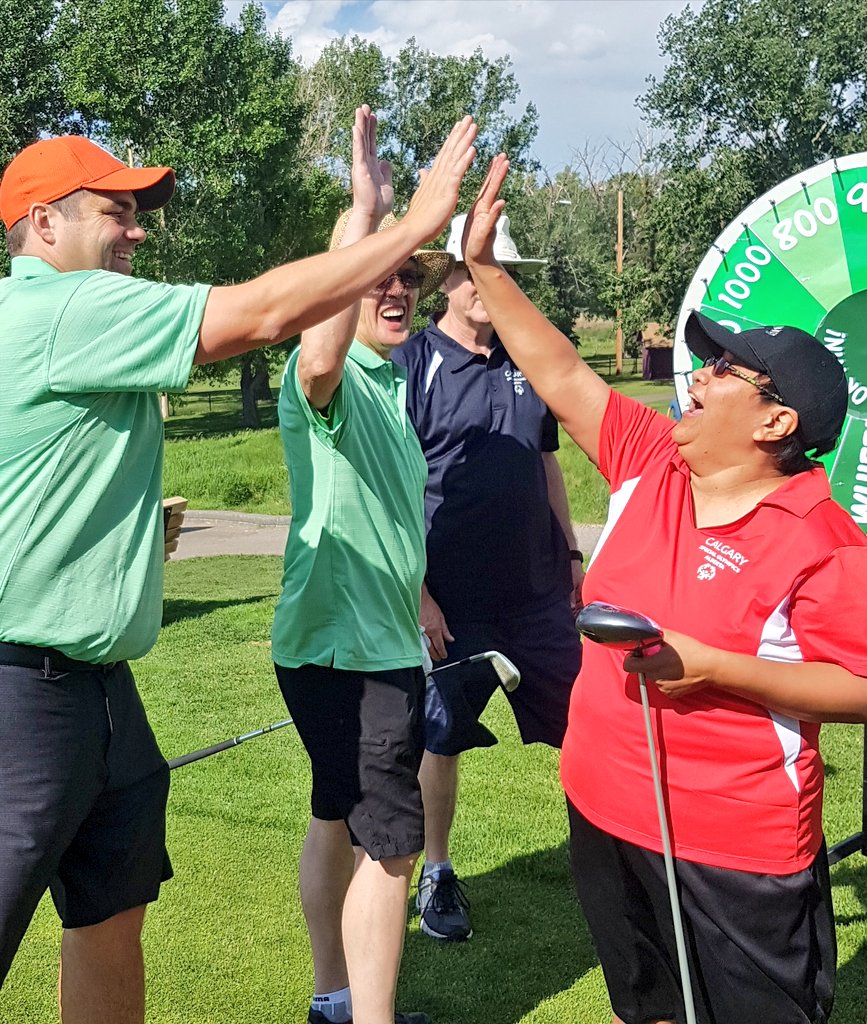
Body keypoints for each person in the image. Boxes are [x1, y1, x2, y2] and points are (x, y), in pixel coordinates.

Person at [0, 109, 477, 1021]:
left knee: (109, 917)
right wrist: (408, 226)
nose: (137, 230)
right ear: (44, 223)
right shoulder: (61, 304)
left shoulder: (81, 321)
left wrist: (360, 212)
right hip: (23, 692)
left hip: (98, 688)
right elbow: (267, 314)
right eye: (116, 209)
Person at [459, 155, 867, 1024]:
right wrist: (485, 268)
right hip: (603, 808)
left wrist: (715, 668)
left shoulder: (821, 540)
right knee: (640, 1008)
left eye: (725, 371)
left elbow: (860, 686)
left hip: (736, 846)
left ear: (775, 422)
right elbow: (561, 374)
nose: (699, 373)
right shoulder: (651, 463)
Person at [271, 110, 457, 1024]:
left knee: (336, 815)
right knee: (391, 844)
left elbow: (384, 514)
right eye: (377, 280)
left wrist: (417, 587)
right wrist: (367, 210)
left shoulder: (387, 386)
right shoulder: (330, 377)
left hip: (357, 634)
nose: (397, 292)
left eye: (408, 280)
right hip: (350, 648)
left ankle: (334, 1000)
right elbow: (315, 341)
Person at [392, 213, 583, 942]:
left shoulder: (525, 358)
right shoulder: (413, 364)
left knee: (586, 728)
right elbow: (393, 489)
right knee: (439, 740)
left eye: (498, 273)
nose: (486, 287)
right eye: (475, 272)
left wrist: (569, 556)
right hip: (452, 604)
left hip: (538, 595)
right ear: (448, 278)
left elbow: (545, 464)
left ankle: (610, 859)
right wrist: (419, 594)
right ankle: (435, 874)